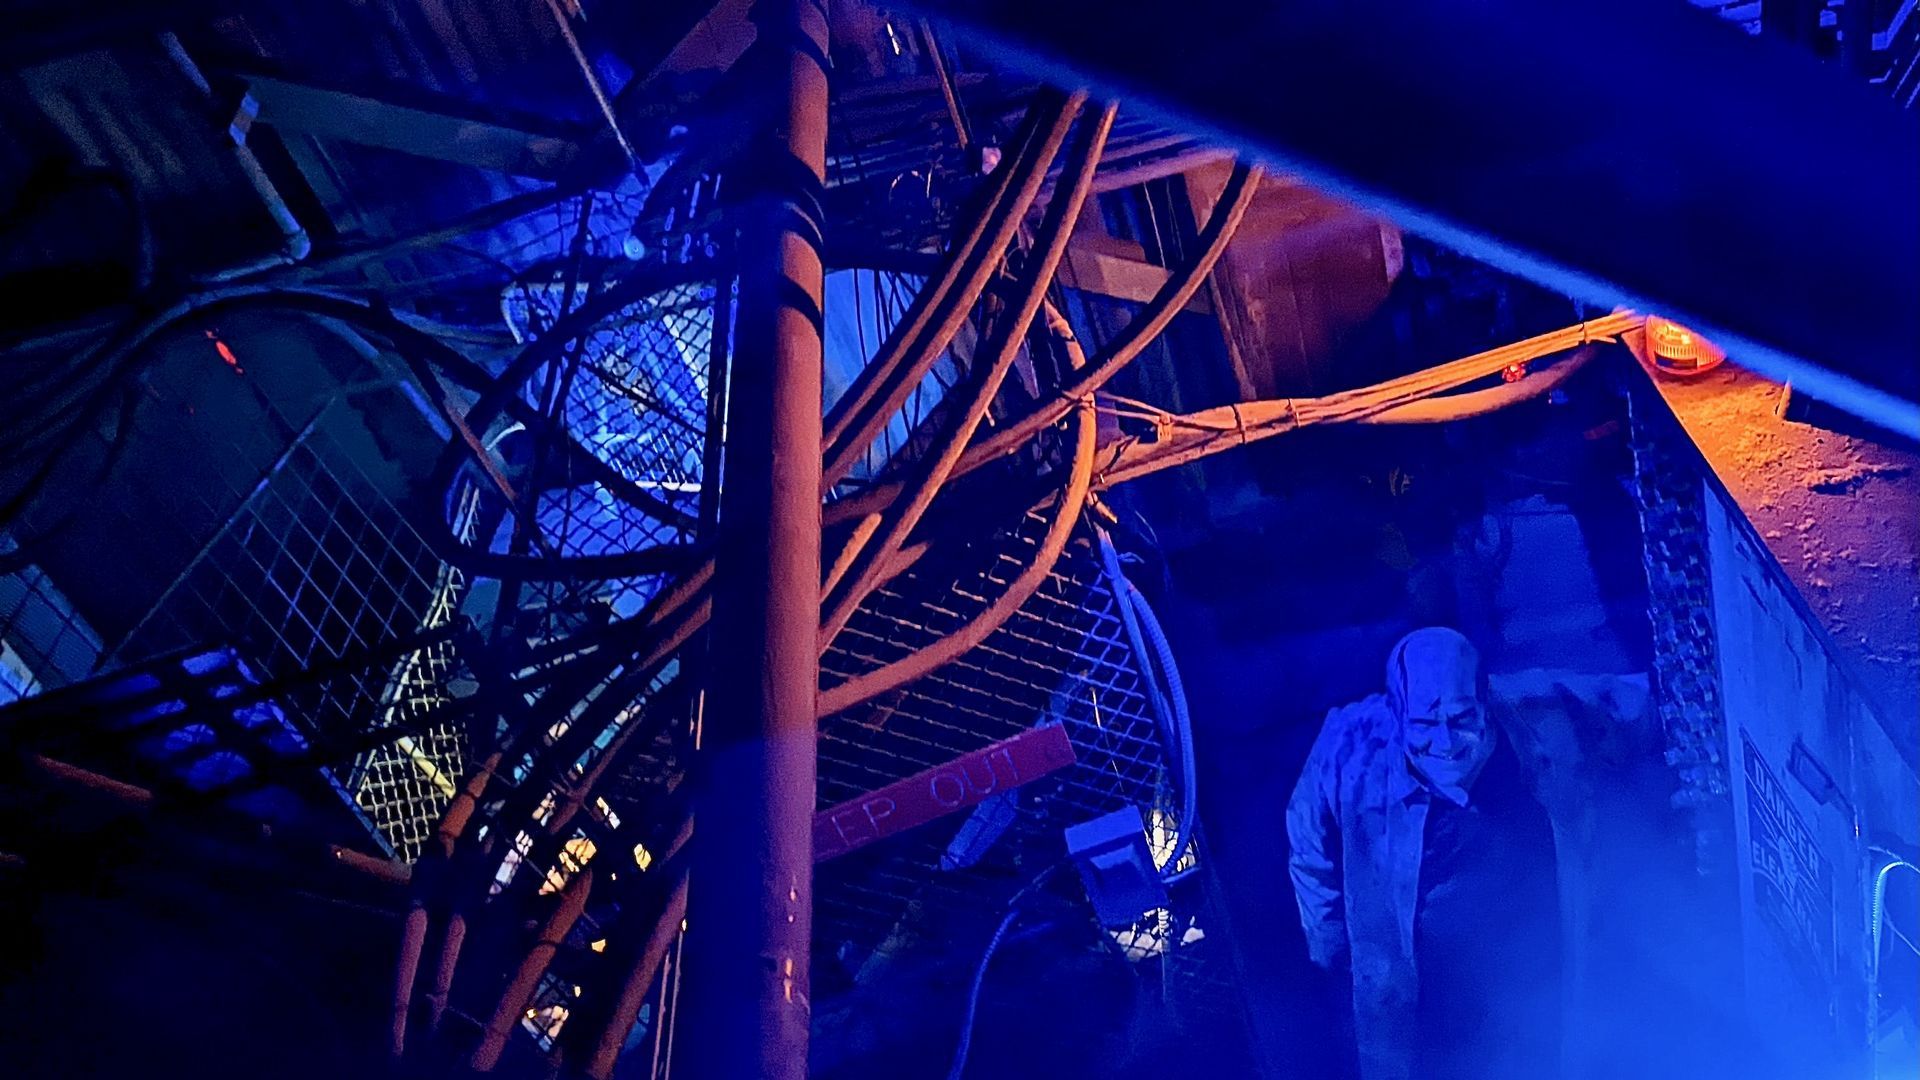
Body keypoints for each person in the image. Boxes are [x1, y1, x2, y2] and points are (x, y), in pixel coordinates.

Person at [1286, 627, 1651, 1080]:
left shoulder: (1542, 710)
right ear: (1396, 717)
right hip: (1420, 978)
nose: (1446, 743)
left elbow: (1639, 702)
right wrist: (1327, 934)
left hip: (1529, 960)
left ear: (1488, 702)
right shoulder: (1348, 747)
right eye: (1424, 725)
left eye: (1461, 719)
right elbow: (1306, 833)